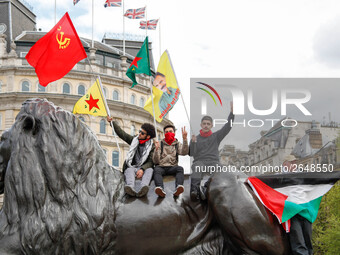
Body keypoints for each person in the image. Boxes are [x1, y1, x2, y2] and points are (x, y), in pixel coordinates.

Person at [189, 102, 234, 201]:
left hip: (214, 162)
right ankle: (194, 191)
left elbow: (227, 127)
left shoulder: (216, 136)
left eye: (208, 124)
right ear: (201, 125)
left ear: (211, 125)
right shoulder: (195, 138)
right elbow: (191, 154)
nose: (206, 125)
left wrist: (232, 113)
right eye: (204, 124)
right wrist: (193, 143)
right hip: (200, 162)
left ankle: (205, 188)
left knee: (221, 170)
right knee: (197, 167)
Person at [107, 116, 156, 197]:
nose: (139, 134)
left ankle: (143, 188)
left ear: (148, 137)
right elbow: (123, 134)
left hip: (144, 168)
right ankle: (130, 188)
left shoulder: (152, 146)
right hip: (133, 167)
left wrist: (142, 169)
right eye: (140, 131)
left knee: (150, 170)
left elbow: (151, 162)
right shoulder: (134, 140)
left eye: (142, 133)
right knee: (129, 170)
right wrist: (112, 123)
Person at [281, 154, 312, 255]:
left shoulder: (303, 175)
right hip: (292, 214)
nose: (295, 165)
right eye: (292, 163)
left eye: (295, 162)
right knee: (298, 242)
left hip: (305, 212)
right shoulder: (278, 177)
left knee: (308, 242)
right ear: (285, 164)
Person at [153, 125, 189, 197]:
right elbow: (155, 161)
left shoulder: (177, 144)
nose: (168, 133)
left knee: (180, 169)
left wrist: (185, 140)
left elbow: (184, 152)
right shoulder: (160, 144)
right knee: (156, 169)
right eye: (166, 132)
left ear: (174, 133)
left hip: (173, 167)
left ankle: (178, 187)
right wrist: (156, 150)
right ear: (164, 134)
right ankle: (160, 188)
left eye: (170, 131)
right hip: (162, 167)